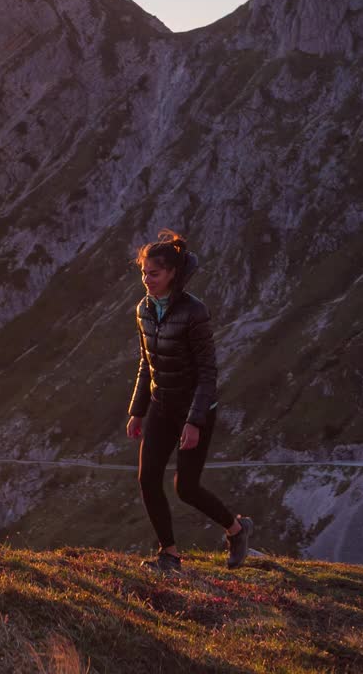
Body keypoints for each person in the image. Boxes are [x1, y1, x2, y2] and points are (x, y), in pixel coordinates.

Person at [125, 228, 253, 572]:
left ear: (172, 274)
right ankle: (169, 554)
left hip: (195, 411)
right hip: (160, 407)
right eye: (143, 273)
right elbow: (146, 362)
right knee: (147, 478)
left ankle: (237, 530)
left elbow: (208, 372)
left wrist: (195, 421)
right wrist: (137, 411)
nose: (147, 280)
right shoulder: (143, 310)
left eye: (154, 273)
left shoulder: (194, 311)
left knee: (187, 487)